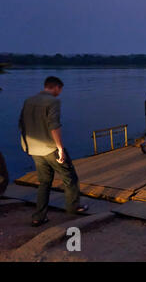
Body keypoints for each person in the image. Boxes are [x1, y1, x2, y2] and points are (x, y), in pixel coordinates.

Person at [19, 76, 88, 227]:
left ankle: (39, 216)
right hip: (50, 148)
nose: (60, 93)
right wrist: (60, 148)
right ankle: (73, 208)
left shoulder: (28, 100)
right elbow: (54, 126)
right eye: (60, 89)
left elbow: (21, 124)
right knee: (70, 178)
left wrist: (27, 146)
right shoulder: (53, 101)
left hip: (34, 149)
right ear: (56, 87)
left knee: (44, 183)